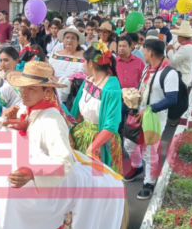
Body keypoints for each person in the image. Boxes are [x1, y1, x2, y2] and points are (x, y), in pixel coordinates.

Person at [123, 39, 180, 200]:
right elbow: (143, 88)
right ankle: (137, 167)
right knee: (128, 143)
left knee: (149, 150)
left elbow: (172, 99)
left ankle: (149, 182)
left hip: (154, 116)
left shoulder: (169, 73)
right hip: (139, 113)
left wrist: (150, 109)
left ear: (150, 52)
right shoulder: (148, 69)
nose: (143, 54)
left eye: (144, 50)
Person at [70, 42, 123, 174]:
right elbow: (77, 112)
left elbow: (111, 126)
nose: (83, 65)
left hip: (101, 142)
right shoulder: (88, 81)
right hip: (82, 135)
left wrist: (92, 149)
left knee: (98, 182)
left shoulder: (112, 89)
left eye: (84, 61)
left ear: (91, 64)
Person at [49, 27, 86, 104]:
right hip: (55, 91)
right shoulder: (56, 54)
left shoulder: (85, 56)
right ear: (63, 40)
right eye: (67, 37)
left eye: (73, 38)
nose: (69, 40)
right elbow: (49, 72)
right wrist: (59, 81)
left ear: (77, 42)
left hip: (76, 94)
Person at [166, 20, 192, 91]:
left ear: (183, 37)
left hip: (182, 78)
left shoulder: (186, 48)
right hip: (181, 76)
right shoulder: (186, 46)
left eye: (179, 36)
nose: (177, 37)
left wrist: (170, 50)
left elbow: (173, 60)